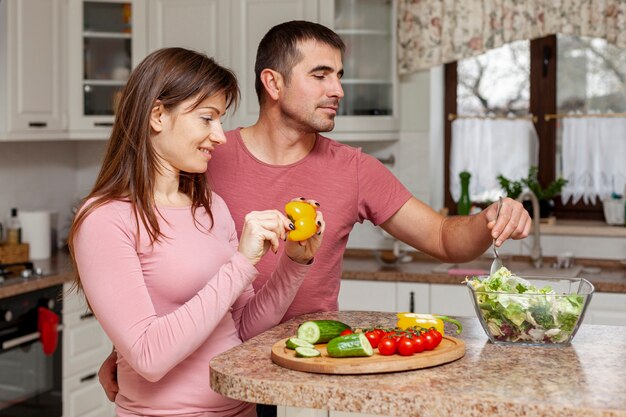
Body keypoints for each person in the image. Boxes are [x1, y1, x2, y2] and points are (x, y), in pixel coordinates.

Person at [97, 21, 532, 415]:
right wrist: (133, 349)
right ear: (274, 83)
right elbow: (151, 258)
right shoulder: (204, 154)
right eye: (321, 74)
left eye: (339, 76)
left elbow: (442, 236)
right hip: (225, 374)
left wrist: (491, 216)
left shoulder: (355, 169)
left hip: (312, 371)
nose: (339, 89)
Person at [68, 47, 324, 417]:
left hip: (242, 409)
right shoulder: (105, 220)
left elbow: (243, 330)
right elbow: (148, 355)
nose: (219, 136)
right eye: (207, 118)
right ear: (157, 115)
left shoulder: (210, 207)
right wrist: (241, 263)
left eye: (220, 119)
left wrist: (295, 262)